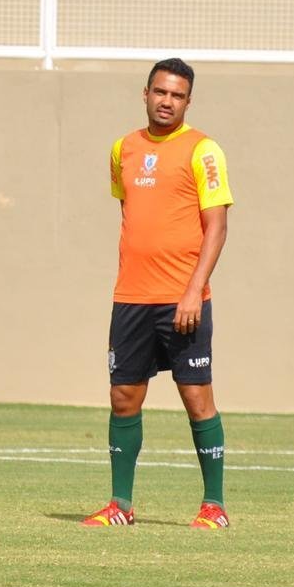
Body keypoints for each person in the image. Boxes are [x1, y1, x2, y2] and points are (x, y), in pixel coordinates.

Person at [83, 58, 233, 530]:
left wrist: (192, 291)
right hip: (131, 298)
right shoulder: (122, 149)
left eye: (177, 95)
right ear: (145, 93)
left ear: (188, 101)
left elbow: (217, 227)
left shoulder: (204, 150)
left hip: (183, 300)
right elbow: (132, 211)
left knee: (196, 398)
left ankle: (214, 506)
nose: (167, 101)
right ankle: (120, 505)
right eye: (160, 92)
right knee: (123, 396)